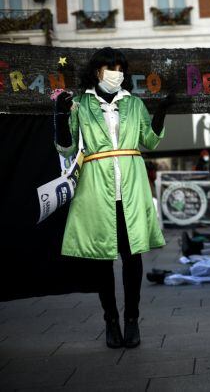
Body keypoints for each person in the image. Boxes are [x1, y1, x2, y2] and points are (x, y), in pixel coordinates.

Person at [54, 47, 170, 348]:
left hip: (131, 186)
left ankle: (132, 319)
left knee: (133, 258)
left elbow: (149, 142)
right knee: (102, 260)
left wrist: (160, 114)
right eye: (110, 67)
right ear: (97, 71)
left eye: (120, 67)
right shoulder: (79, 104)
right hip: (95, 188)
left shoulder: (133, 104)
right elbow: (66, 149)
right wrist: (59, 117)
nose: (117, 72)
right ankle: (110, 320)